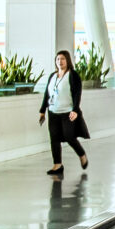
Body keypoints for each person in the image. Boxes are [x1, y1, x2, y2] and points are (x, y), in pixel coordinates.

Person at [40, 49, 91, 177]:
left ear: (67, 60)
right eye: (58, 59)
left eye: (62, 59)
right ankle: (57, 165)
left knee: (69, 136)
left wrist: (75, 110)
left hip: (67, 112)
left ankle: (81, 154)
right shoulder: (53, 76)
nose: (60, 61)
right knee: (54, 138)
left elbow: (77, 94)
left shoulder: (73, 75)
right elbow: (47, 94)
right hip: (53, 111)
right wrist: (42, 111)